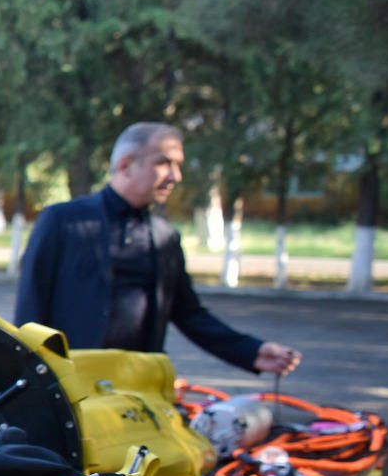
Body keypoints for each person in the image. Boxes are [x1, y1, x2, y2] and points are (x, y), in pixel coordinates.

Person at [15, 121, 300, 375]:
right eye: (164, 163)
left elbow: (189, 314)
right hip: (69, 384)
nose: (176, 176)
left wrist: (251, 351)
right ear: (126, 165)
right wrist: (33, 380)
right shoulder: (63, 221)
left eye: (178, 165)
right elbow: (31, 308)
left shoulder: (166, 237)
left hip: (137, 386)